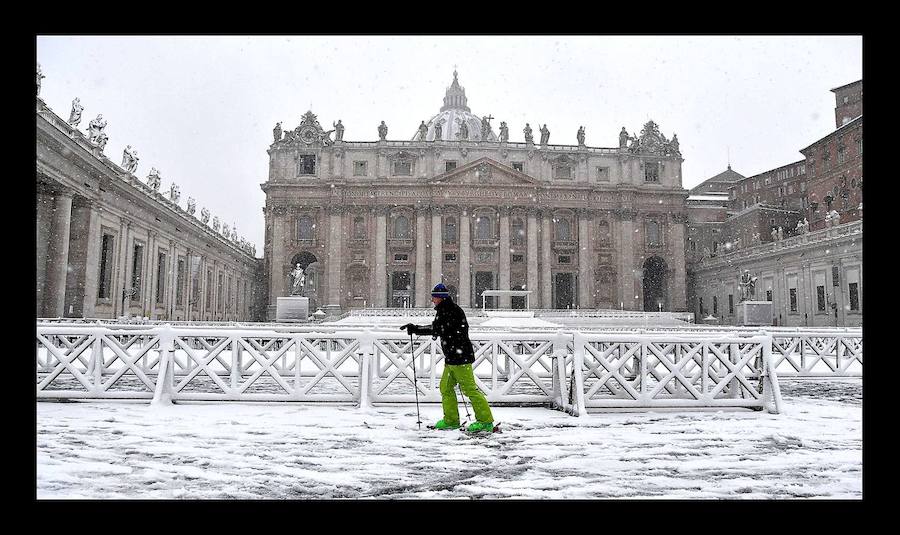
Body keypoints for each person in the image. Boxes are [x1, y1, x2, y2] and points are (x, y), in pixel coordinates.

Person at [401, 283, 494, 433]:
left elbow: (438, 328)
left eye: (434, 297)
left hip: (460, 357)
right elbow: (439, 328)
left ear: (440, 298)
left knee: (470, 390)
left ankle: (485, 421)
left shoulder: (450, 310)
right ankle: (451, 420)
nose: (432, 300)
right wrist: (417, 328)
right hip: (452, 357)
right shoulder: (445, 309)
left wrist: (416, 329)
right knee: (446, 387)